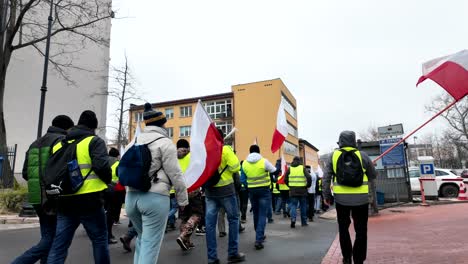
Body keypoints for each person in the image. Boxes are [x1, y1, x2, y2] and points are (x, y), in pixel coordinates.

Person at [125, 103, 188, 263]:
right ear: (162, 124)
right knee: (150, 245)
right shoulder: (165, 143)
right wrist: (182, 200)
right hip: (154, 197)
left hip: (131, 198)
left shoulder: (133, 142)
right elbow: (175, 174)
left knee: (142, 240)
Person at [47, 110, 112, 264]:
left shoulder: (59, 144)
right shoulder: (94, 141)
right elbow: (102, 167)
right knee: (100, 239)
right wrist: (108, 180)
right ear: (93, 127)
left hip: (63, 198)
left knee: (59, 245)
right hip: (89, 199)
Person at [12, 115, 74, 264]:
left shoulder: (34, 144)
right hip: (53, 197)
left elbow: (26, 172)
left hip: (36, 197)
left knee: (47, 236)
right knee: (51, 240)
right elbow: (63, 170)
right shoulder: (61, 142)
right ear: (67, 128)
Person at [323, 131, 377, 264]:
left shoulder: (333, 156)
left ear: (340, 141)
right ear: (353, 141)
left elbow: (326, 177)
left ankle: (347, 257)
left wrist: (327, 195)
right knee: (361, 230)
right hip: (361, 200)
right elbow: (373, 175)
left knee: (343, 228)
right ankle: (359, 259)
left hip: (341, 200)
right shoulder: (362, 155)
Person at [205, 128, 245, 264]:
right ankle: (233, 253)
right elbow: (236, 167)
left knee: (210, 224)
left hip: (210, 191)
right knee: (233, 220)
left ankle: (212, 258)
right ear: (221, 138)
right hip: (226, 191)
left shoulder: (206, 150)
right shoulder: (225, 149)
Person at [241, 145, 277, 250]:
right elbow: (274, 171)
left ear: (250, 152)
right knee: (262, 215)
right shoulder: (264, 161)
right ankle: (259, 239)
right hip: (264, 191)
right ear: (259, 151)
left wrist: (249, 187)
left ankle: (259, 234)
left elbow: (243, 180)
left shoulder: (245, 164)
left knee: (256, 213)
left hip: (252, 191)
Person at [175, 139, 204, 250]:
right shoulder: (192, 156)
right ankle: (184, 236)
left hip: (179, 191)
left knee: (184, 217)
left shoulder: (173, 158)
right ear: (187, 147)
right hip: (193, 190)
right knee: (197, 214)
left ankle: (186, 241)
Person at [285, 156, 312, 228]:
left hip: (293, 190)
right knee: (303, 206)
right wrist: (308, 185)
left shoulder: (289, 168)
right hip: (302, 190)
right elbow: (309, 177)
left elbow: (285, 179)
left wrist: (289, 186)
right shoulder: (302, 168)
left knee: (293, 206)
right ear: (299, 161)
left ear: (293, 161)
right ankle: (304, 222)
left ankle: (293, 220)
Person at [105, 147, 122, 244]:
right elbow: (122, 177)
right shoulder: (117, 163)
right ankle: (109, 235)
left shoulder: (105, 161)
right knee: (111, 214)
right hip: (114, 190)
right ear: (117, 155)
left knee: (105, 211)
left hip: (102, 189)